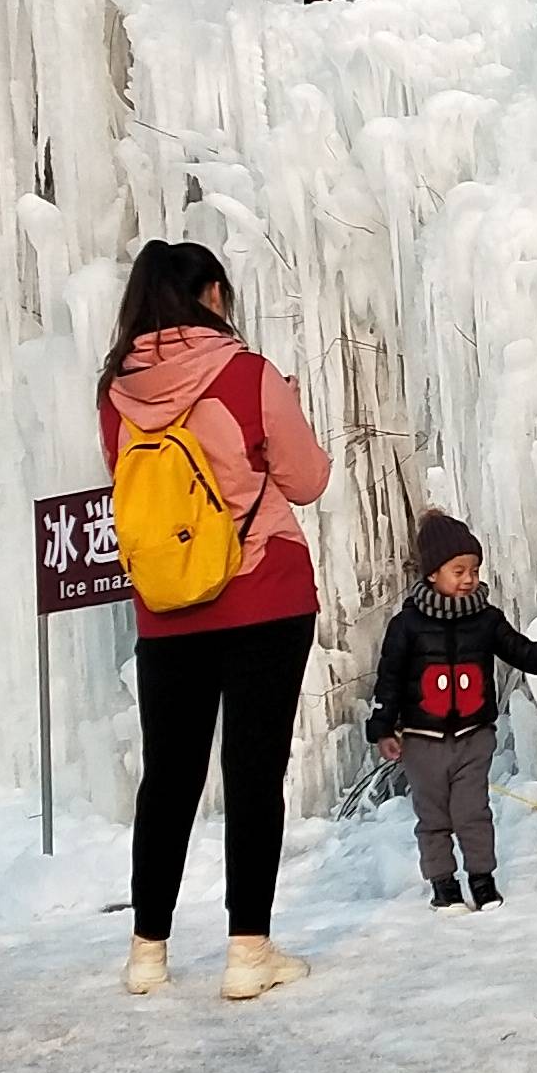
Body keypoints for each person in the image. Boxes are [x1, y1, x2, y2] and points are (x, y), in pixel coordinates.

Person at [102, 238, 329, 1000]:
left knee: (168, 776)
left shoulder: (116, 394)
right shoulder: (246, 373)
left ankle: (147, 950)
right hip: (262, 591)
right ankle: (247, 951)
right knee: (253, 771)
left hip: (167, 608)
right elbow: (307, 479)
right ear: (211, 295)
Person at [363, 510, 537, 911]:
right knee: (434, 817)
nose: (468, 579)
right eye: (458, 570)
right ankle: (443, 885)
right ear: (432, 574)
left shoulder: (486, 619)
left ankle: (482, 880)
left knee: (473, 811)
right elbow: (388, 680)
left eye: (474, 570)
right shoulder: (406, 625)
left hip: (473, 737)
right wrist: (383, 728)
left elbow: (520, 651)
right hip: (423, 741)